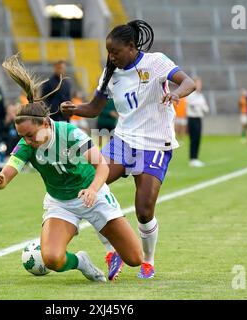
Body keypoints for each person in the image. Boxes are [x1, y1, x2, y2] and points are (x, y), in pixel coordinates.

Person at [61, 20, 196, 279]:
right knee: (89, 184)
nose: (111, 57)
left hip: (155, 143)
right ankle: (111, 250)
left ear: (132, 47)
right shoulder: (110, 73)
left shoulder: (156, 62)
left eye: (115, 52)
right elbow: (94, 108)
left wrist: (177, 94)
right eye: (108, 52)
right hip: (124, 141)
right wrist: (75, 109)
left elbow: (188, 82)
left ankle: (148, 261)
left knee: (144, 210)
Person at [0, 53, 143, 282]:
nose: (27, 141)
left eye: (30, 135)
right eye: (23, 137)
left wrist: (93, 190)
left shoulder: (69, 133)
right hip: (61, 203)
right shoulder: (26, 143)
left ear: (45, 124)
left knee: (135, 258)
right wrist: (1, 179)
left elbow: (101, 166)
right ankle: (82, 262)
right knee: (51, 258)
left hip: (93, 196)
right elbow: (10, 168)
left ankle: (112, 246)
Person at [186, 76, 209, 167]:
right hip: (192, 118)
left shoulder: (200, 95)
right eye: (198, 83)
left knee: (198, 139)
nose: (200, 85)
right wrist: (200, 106)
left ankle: (196, 158)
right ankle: (192, 159)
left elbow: (205, 107)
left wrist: (201, 107)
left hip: (199, 118)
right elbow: (193, 106)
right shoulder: (191, 94)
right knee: (194, 139)